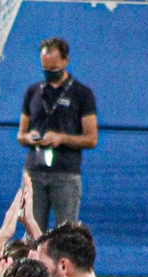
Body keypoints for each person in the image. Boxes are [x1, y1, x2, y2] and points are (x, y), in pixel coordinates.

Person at [16, 37, 97, 229]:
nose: (50, 73)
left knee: (66, 233)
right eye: (46, 69)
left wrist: (62, 138)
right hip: (34, 172)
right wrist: (29, 137)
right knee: (31, 231)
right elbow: (21, 134)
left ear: (65, 61)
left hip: (66, 173)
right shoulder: (33, 91)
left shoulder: (82, 93)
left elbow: (91, 138)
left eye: (54, 68)